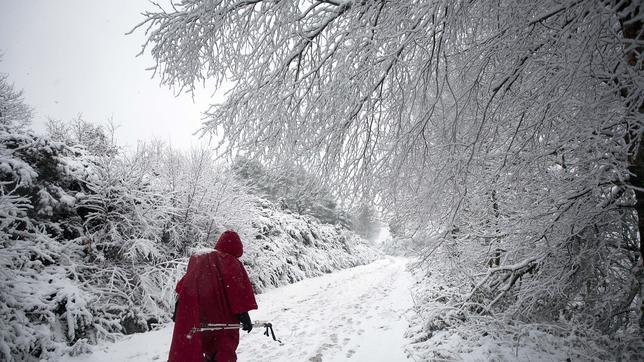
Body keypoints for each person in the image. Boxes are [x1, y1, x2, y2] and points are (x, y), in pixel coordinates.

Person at [168, 230, 258, 362]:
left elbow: (185, 285)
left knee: (204, 346)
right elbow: (237, 292)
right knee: (224, 348)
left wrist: (179, 308)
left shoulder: (200, 257)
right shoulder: (231, 262)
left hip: (199, 315)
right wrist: (244, 316)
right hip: (223, 317)